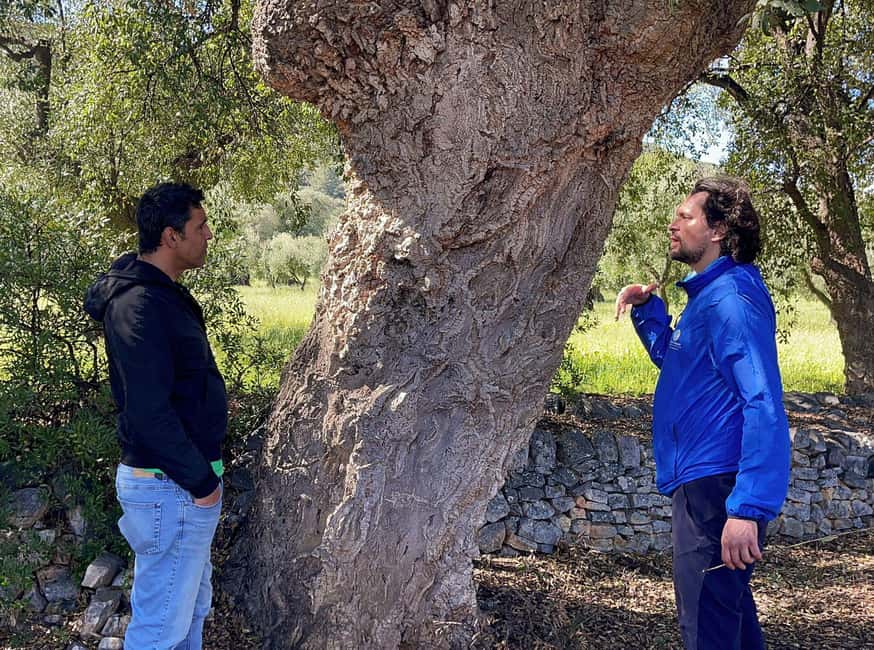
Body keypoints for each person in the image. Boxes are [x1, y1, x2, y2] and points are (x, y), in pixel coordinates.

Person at [615, 177, 791, 649]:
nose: (673, 223)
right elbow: (684, 364)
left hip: (718, 488)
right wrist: (650, 311)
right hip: (707, 482)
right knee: (728, 623)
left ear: (717, 231)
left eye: (685, 216)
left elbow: (763, 402)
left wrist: (748, 507)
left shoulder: (731, 301)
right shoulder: (710, 297)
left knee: (707, 629)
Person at [85, 182, 227, 649]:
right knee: (161, 625)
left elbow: (171, 383)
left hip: (182, 483)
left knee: (188, 614)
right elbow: (147, 410)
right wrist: (202, 485)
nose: (209, 235)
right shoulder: (138, 305)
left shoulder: (160, 295)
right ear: (171, 236)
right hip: (172, 485)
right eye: (200, 226)